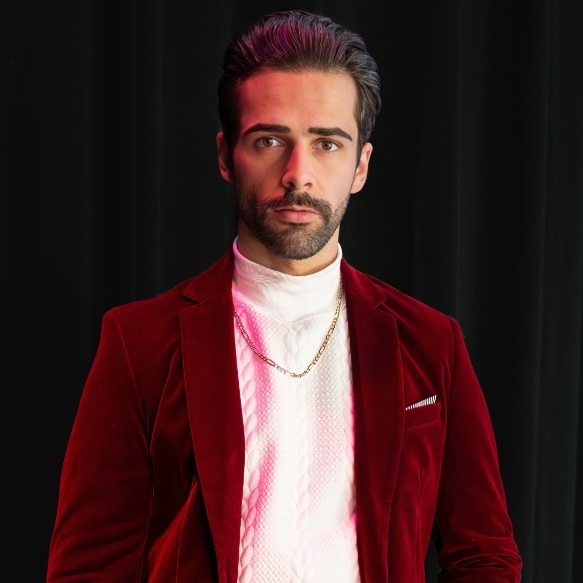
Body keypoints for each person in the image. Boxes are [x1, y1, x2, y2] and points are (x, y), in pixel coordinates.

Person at [46, 9, 522, 583]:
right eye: (270, 140)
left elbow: (485, 556)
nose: (298, 173)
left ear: (361, 166)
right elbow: (89, 564)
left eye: (327, 143)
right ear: (226, 156)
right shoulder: (138, 342)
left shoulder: (431, 342)